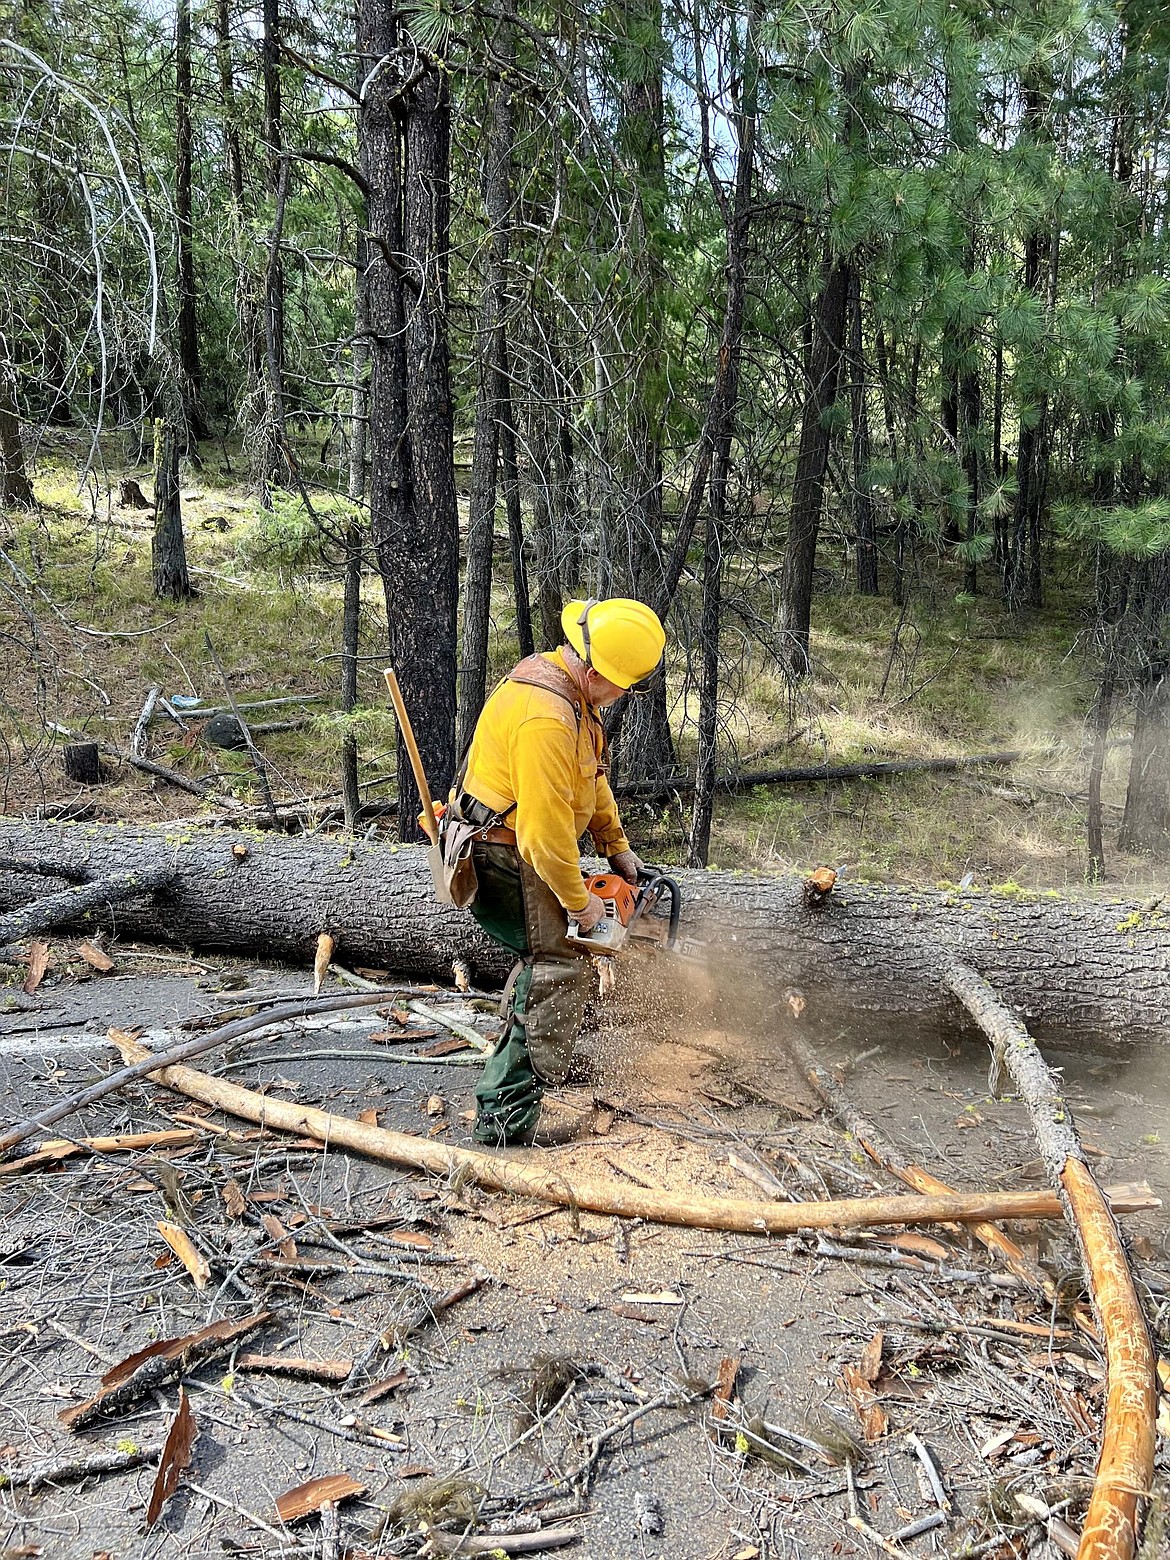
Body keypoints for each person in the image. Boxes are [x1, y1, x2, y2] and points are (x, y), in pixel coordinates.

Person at [451, 597, 666, 1146]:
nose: (626, 697)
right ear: (595, 671)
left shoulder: (573, 695)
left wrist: (615, 847)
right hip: (502, 854)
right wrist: (581, 905)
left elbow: (590, 779)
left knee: (549, 962)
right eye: (626, 687)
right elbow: (543, 840)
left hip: (523, 845)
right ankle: (504, 1121)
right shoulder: (546, 717)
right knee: (557, 967)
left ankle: (546, 1048)